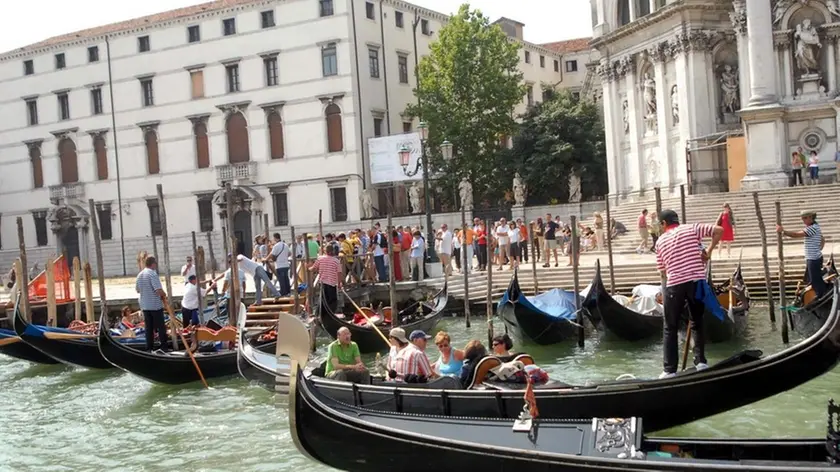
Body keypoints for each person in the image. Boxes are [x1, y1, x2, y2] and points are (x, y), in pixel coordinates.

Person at [655, 210, 723, 379]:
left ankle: (669, 370)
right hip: (696, 282)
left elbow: (663, 271)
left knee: (670, 327)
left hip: (674, 286)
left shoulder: (660, 241)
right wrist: (708, 250)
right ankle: (700, 362)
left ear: (664, 224)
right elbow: (719, 230)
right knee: (696, 322)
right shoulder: (692, 229)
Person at [778, 210, 827, 299]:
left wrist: (783, 231)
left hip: (813, 259)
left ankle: (821, 296)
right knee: (811, 280)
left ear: (810, 218)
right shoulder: (815, 227)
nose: (803, 220)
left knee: (815, 281)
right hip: (813, 257)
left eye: (805, 218)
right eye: (802, 218)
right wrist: (818, 249)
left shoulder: (812, 228)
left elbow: (796, 234)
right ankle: (816, 295)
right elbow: (823, 240)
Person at [135, 256, 169, 352]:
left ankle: (149, 348)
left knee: (148, 328)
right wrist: (164, 294)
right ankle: (164, 347)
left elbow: (137, 290)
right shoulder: (152, 274)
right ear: (153, 264)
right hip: (155, 305)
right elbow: (158, 290)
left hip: (145, 306)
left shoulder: (140, 275)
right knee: (161, 327)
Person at [309, 244, 343, 313]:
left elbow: (313, 268)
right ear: (333, 251)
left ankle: (319, 314)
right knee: (332, 301)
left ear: (325, 251)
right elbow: (339, 273)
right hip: (332, 284)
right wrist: (339, 284)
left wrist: (307, 267)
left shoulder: (320, 259)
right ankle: (331, 313)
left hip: (323, 283)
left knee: (323, 300)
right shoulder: (336, 261)